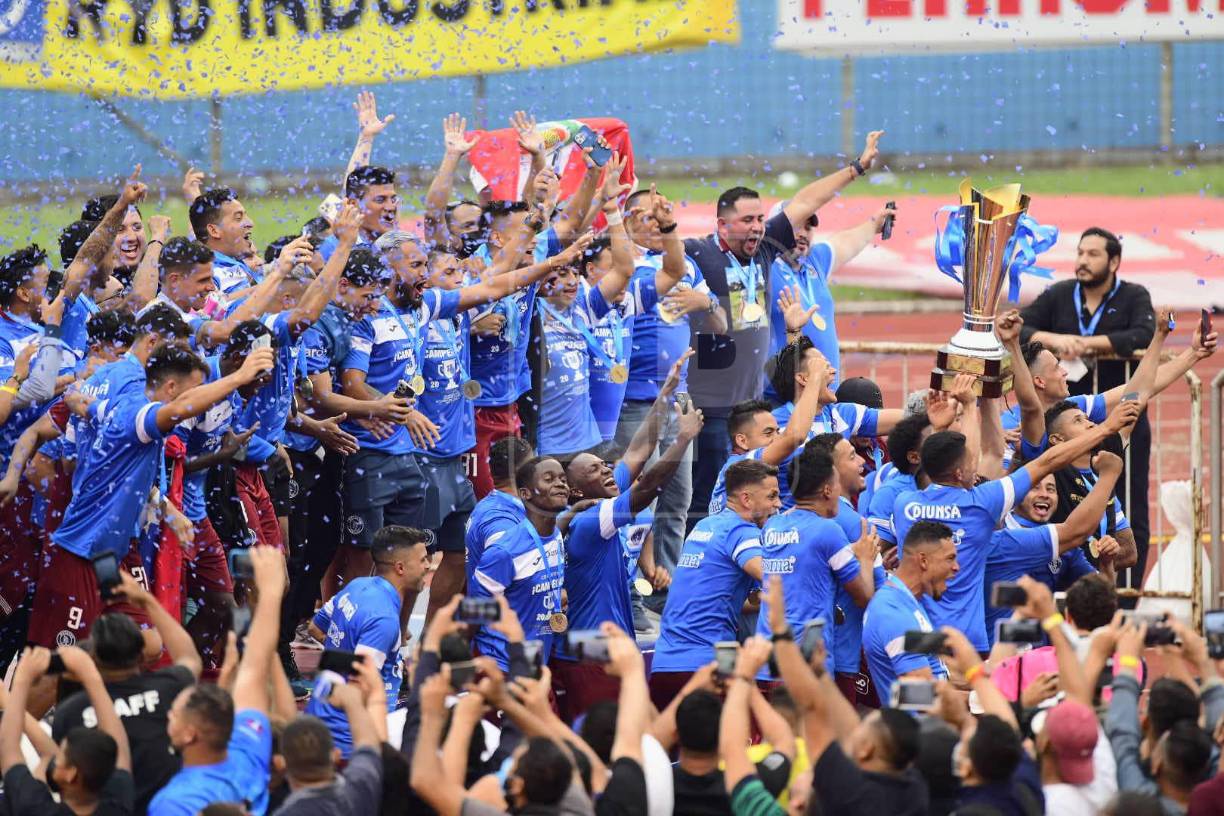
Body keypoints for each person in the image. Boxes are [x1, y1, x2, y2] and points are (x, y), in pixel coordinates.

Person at [683, 132, 883, 531]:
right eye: (747, 220)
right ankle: (698, 565)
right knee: (705, 497)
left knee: (754, 494)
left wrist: (856, 168)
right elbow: (661, 261)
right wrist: (697, 298)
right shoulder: (700, 253)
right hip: (710, 405)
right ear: (722, 225)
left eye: (760, 219)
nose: (757, 227)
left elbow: (806, 202)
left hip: (753, 406)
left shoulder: (765, 251)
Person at [30, 342, 276, 650]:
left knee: (146, 644)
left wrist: (171, 513)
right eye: (195, 391)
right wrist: (240, 377)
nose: (201, 403)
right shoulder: (139, 417)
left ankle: (90, 686)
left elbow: (86, 406)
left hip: (112, 554)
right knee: (62, 660)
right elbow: (176, 410)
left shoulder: (119, 409)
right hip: (82, 551)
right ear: (172, 387)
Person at [891, 385, 1140, 652]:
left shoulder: (905, 504)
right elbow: (1046, 468)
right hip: (969, 650)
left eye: (1051, 488)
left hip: (919, 644)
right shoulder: (982, 505)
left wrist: (942, 431)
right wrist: (1105, 436)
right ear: (962, 472)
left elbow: (947, 467)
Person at [1019, 227, 1157, 585]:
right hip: (1071, 421)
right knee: (1065, 498)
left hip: (1123, 417)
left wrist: (1088, 343)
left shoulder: (1133, 296)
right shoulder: (1061, 294)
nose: (1082, 260)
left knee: (1127, 502)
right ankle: (1073, 584)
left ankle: (1127, 593)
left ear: (1113, 262)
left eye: (1093, 254)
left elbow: (1141, 335)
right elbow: (1024, 329)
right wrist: (1058, 340)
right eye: (1080, 252)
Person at [551, 401, 702, 720]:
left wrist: (665, 392)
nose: (607, 470)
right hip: (595, 651)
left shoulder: (591, 508)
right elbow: (648, 486)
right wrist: (682, 440)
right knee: (607, 740)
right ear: (576, 490)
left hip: (590, 645)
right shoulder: (591, 521)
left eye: (605, 465)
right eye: (595, 469)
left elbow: (638, 452)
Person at [765, 575, 930, 815]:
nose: (857, 725)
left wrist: (780, 631)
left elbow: (812, 708)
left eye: (865, 726)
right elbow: (850, 728)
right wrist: (820, 675)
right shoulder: (914, 789)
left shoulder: (848, 789)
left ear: (866, 750)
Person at [149, 547, 286, 816]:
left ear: (190, 734)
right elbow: (256, 668)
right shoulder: (248, 749)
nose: (169, 717)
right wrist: (270, 595)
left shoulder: (173, 803)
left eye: (175, 714)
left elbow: (254, 670)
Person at [52, 571, 203, 814]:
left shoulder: (71, 714)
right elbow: (190, 657)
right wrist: (146, 600)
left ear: (92, 659)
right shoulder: (170, 688)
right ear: (143, 656)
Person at [649, 458, 773, 709]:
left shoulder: (705, 526)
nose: (778, 505)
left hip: (664, 665)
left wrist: (762, 598)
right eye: (772, 496)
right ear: (747, 500)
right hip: (707, 666)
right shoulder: (742, 532)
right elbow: (773, 577)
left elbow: (715, 596)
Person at [752, 443, 877, 678]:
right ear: (828, 491)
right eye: (838, 484)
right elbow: (863, 596)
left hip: (766, 664)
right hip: (806, 667)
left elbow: (808, 556)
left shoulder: (773, 525)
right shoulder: (828, 530)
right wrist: (866, 558)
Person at [305, 525, 431, 756]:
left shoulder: (356, 586)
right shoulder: (384, 620)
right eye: (423, 560)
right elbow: (360, 686)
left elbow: (315, 628)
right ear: (400, 567)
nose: (428, 566)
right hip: (351, 739)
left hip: (322, 718)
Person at [982, 451, 1125, 644]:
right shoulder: (994, 537)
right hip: (999, 655)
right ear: (1014, 497)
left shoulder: (1065, 547)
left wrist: (1106, 563)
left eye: (1051, 489)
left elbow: (1100, 600)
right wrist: (1109, 474)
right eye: (1035, 487)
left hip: (1048, 657)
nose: (1044, 495)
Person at [765, 201, 897, 390]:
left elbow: (845, 241)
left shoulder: (815, 261)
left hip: (824, 396)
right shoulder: (763, 265)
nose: (803, 233)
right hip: (782, 397)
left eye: (809, 227)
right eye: (796, 226)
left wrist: (874, 224)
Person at [1, 645, 134, 816]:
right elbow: (120, 746)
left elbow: (9, 750)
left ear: (70, 775)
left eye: (62, 756)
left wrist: (20, 683)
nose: (55, 757)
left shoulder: (35, 807)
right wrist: (88, 674)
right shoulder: (118, 804)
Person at [470, 456, 570, 670]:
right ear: (525, 494)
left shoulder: (556, 537)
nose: (560, 483)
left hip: (535, 663)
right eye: (549, 479)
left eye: (563, 478)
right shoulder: (504, 551)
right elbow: (474, 614)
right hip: (502, 666)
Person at [860, 520, 956, 696]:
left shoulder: (908, 601)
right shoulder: (893, 613)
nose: (956, 567)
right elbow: (921, 698)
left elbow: (937, 672)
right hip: (920, 723)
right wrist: (978, 698)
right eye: (950, 558)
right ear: (923, 561)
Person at [275, 692, 383, 815]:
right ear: (336, 755)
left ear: (281, 763)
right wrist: (351, 701)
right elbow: (367, 742)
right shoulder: (361, 788)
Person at [464, 436, 534, 590]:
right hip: (508, 611)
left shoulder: (493, 504)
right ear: (521, 471)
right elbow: (490, 586)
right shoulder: (501, 522)